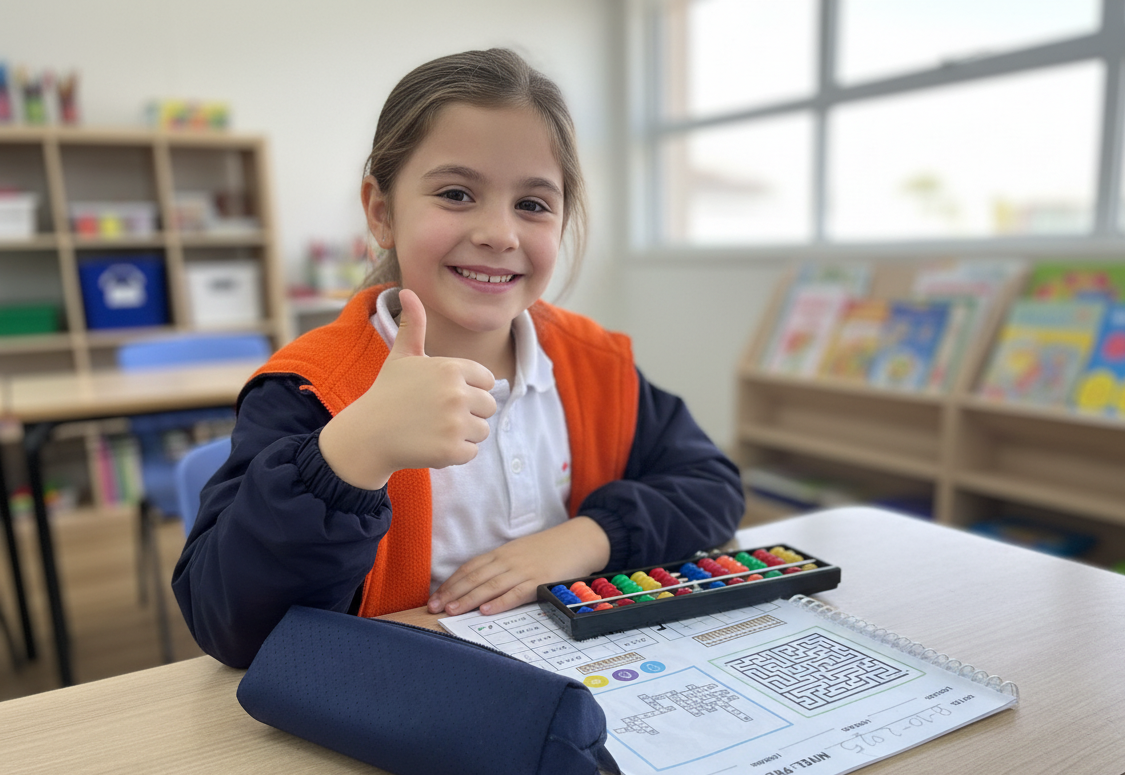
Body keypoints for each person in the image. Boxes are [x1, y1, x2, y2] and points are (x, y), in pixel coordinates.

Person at [172, 48, 743, 669]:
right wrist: (352, 453)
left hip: (584, 680)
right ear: (382, 212)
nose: (500, 233)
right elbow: (229, 624)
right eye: (456, 193)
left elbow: (711, 488)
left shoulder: (594, 363)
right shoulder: (313, 387)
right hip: (406, 697)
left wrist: (582, 541)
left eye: (533, 204)